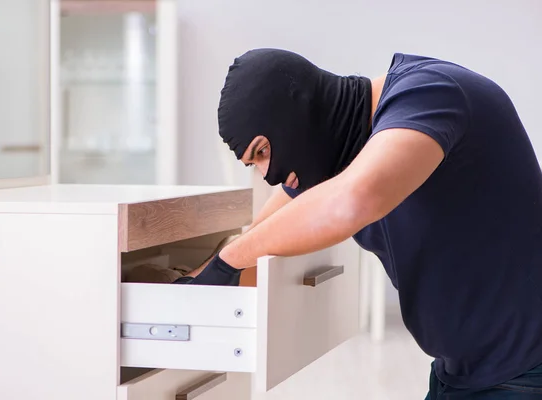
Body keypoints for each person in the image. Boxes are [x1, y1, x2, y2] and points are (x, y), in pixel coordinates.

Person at [173, 49, 542, 398]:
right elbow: (258, 239)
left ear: (298, 115)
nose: (269, 175)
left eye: (263, 152)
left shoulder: (431, 93)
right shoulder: (337, 158)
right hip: (461, 373)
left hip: (525, 371)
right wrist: (195, 280)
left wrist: (229, 261)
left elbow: (351, 202)